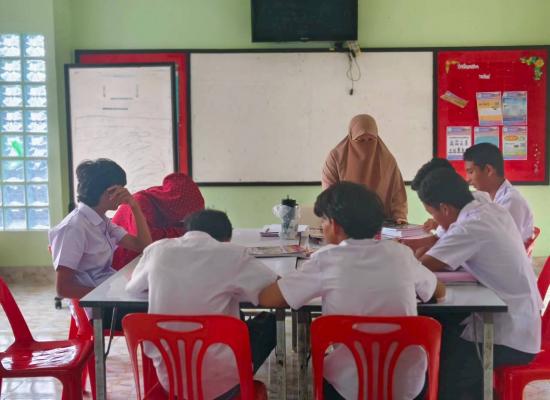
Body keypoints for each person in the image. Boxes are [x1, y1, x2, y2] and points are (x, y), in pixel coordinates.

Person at [259, 182, 445, 400]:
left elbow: (269, 299)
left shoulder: (326, 260)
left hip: (348, 389)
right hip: (407, 387)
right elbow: (439, 291)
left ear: (335, 225)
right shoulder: (400, 254)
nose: (322, 227)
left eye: (323, 221)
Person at [415, 168, 541, 400]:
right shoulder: (486, 206)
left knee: (440, 369)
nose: (435, 222)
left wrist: (413, 253)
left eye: (433, 214)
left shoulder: (469, 227)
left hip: (508, 336)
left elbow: (421, 268)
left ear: (445, 208)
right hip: (521, 320)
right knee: (440, 340)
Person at [126, 209, 277, 400]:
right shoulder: (232, 253)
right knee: (270, 322)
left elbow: (133, 289)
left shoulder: (157, 249)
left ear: (187, 231)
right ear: (226, 238)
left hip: (170, 383)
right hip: (224, 385)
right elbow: (274, 287)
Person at [49, 159, 152, 325]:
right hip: (98, 307)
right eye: (121, 189)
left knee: (158, 297)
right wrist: (108, 295)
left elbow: (143, 246)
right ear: (108, 192)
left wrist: (134, 206)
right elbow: (63, 289)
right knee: (157, 310)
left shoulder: (102, 221)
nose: (125, 193)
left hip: (110, 295)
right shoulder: (74, 227)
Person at [321, 114, 407, 223]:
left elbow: (397, 193)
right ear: (351, 137)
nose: (366, 144)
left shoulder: (387, 159)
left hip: (380, 224)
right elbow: (329, 196)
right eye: (360, 140)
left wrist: (399, 216)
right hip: (345, 223)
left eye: (371, 139)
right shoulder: (336, 158)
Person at [111, 172, 204, 269]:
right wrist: (186, 232)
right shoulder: (140, 201)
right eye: (184, 214)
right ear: (176, 206)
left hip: (148, 260)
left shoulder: (167, 206)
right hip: (123, 264)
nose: (183, 219)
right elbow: (149, 240)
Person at [463, 143, 534, 242]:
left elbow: (496, 241)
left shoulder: (511, 201)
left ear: (488, 170)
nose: (467, 179)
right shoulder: (486, 196)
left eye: (471, 172)